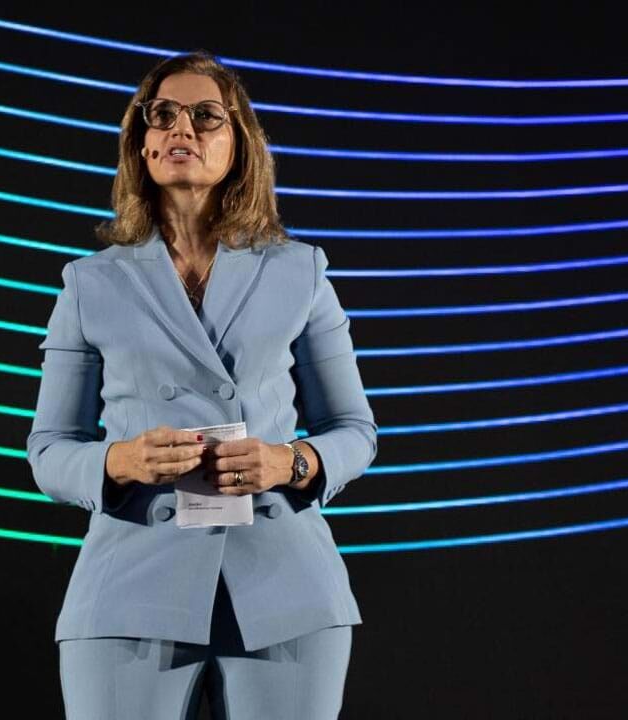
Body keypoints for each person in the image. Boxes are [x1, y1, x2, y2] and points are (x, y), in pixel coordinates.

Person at [26, 50, 378, 719]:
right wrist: (119, 460)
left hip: (285, 587)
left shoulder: (301, 271)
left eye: (205, 116)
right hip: (130, 588)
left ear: (240, 143)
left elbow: (355, 431)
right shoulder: (89, 283)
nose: (180, 128)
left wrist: (290, 461)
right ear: (142, 143)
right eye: (162, 115)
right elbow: (49, 449)